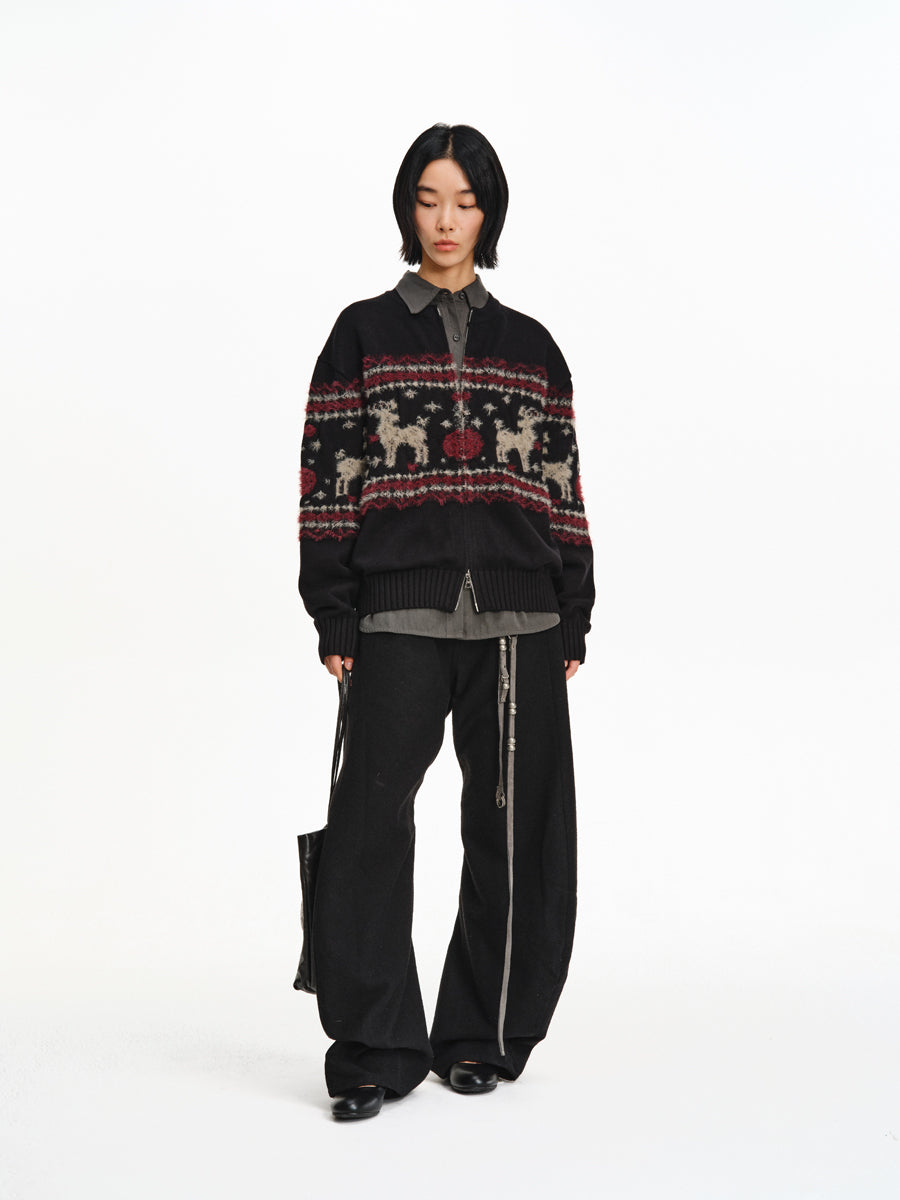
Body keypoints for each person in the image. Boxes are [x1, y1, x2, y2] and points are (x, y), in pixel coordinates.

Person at [297, 123, 594, 1121]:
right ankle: (375, 1047)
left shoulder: (533, 347)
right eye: (429, 199)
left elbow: (562, 486)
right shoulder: (362, 334)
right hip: (396, 616)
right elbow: (328, 478)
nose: (446, 220)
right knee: (368, 830)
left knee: (516, 835)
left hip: (520, 619)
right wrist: (334, 609)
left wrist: (574, 609)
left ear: (489, 213)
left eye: (465, 202)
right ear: (406, 208)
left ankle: (483, 1035)